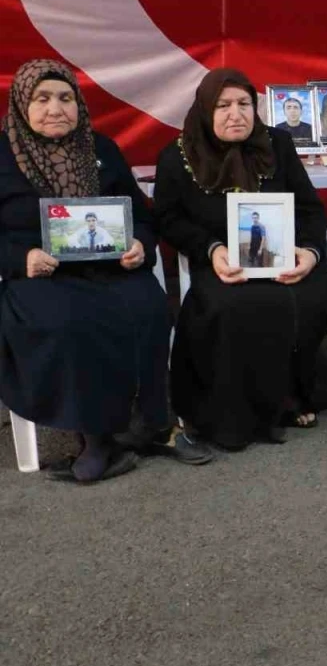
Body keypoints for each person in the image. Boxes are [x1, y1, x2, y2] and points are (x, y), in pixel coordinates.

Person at [0, 59, 189, 482]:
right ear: (22, 105)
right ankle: (97, 439)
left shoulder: (102, 149)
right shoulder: (3, 156)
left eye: (65, 98)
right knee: (69, 321)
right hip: (41, 276)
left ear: (79, 105)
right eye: (42, 99)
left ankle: (151, 422)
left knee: (148, 308)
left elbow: (142, 216)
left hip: (109, 268)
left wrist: (140, 244)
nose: (55, 108)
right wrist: (20, 258)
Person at [154, 68, 327, 449]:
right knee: (235, 305)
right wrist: (212, 249)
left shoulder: (278, 144)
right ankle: (240, 415)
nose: (235, 114)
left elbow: (310, 209)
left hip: (285, 256)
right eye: (223, 106)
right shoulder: (177, 156)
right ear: (205, 109)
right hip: (222, 263)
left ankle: (289, 394)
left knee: (310, 296)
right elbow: (169, 220)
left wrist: (309, 253)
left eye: (244, 104)